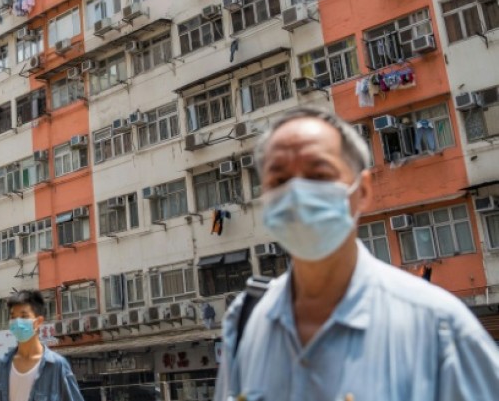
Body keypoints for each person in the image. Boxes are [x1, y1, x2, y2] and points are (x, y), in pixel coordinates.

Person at [214, 107, 499, 400]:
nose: (298, 193)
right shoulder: (246, 322)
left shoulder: (437, 326)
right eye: (279, 181)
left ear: (361, 191)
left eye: (319, 175)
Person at [0, 290, 84, 401]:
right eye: (13, 317)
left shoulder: (57, 366)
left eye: (24, 316)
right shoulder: (2, 366)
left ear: (38, 321)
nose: (17, 322)